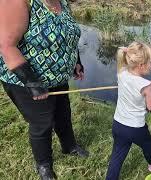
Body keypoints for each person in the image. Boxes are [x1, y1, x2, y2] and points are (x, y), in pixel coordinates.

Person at [0, 0, 89, 179]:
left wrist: (76, 62)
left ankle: (69, 146)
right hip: (25, 80)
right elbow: (6, 45)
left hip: (57, 77)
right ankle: (44, 165)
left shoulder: (62, 2)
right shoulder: (19, 2)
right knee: (42, 122)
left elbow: (68, 35)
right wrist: (33, 83)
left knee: (63, 113)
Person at [105, 42, 151, 180]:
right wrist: (150, 88)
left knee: (117, 155)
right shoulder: (146, 86)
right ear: (141, 65)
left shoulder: (121, 73)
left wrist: (150, 83)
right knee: (147, 143)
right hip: (135, 128)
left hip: (118, 124)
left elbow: (134, 81)